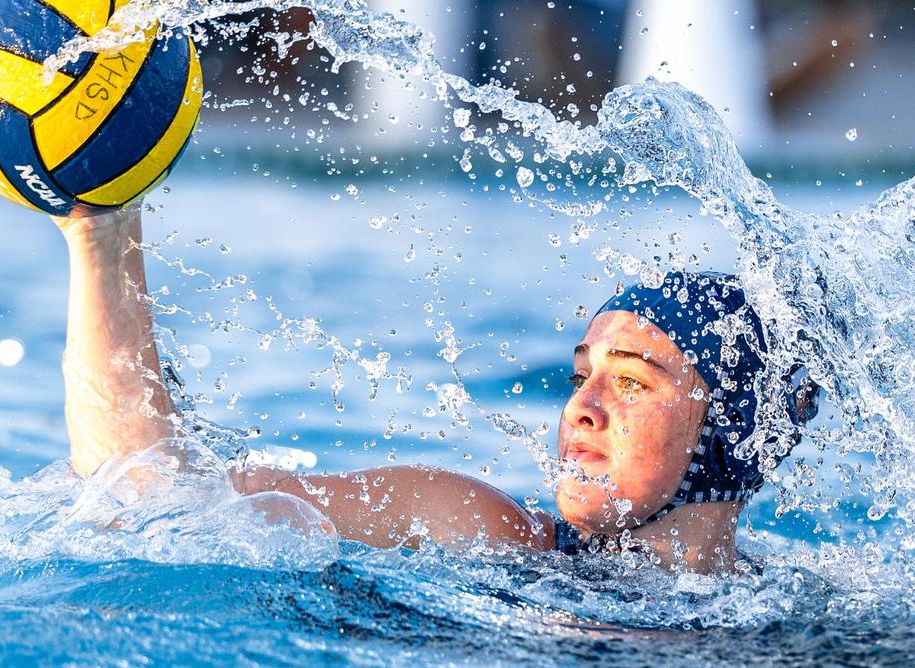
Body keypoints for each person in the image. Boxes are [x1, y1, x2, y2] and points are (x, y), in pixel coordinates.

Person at [57, 207, 813, 574]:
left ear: (735, 430)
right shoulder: (481, 530)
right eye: (582, 376)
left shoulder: (798, 601)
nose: (582, 408)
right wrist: (101, 236)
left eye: (632, 384)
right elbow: (162, 505)